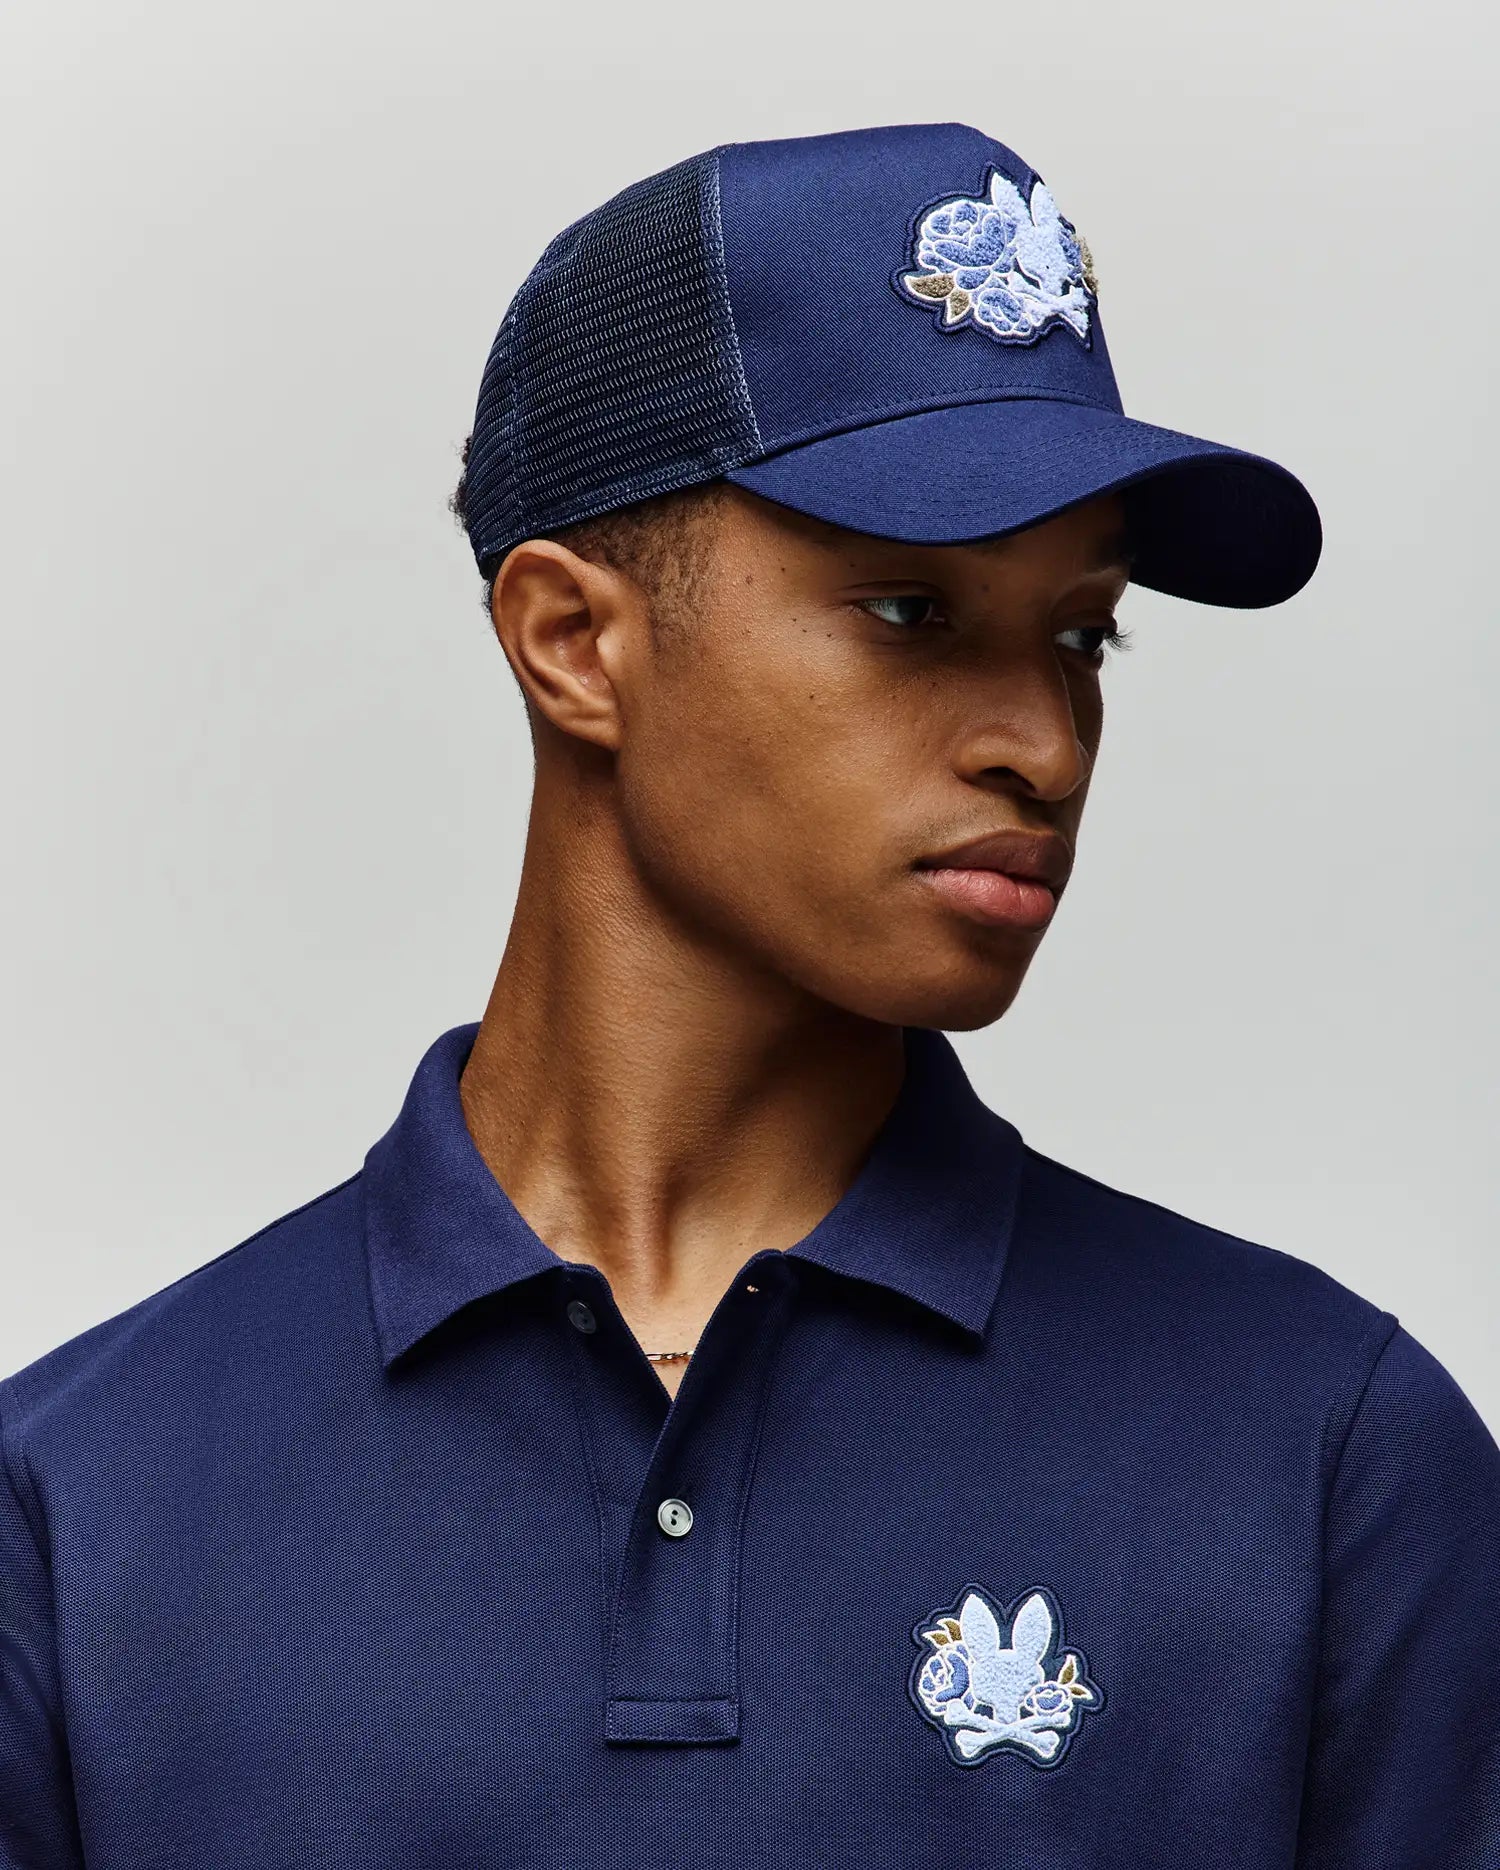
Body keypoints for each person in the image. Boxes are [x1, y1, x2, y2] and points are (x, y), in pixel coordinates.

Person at [2, 120, 1496, 1869]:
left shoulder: (1330, 1456)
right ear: (573, 641)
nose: (1043, 742)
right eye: (912, 609)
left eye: (1084, 633)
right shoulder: (84, 1506)